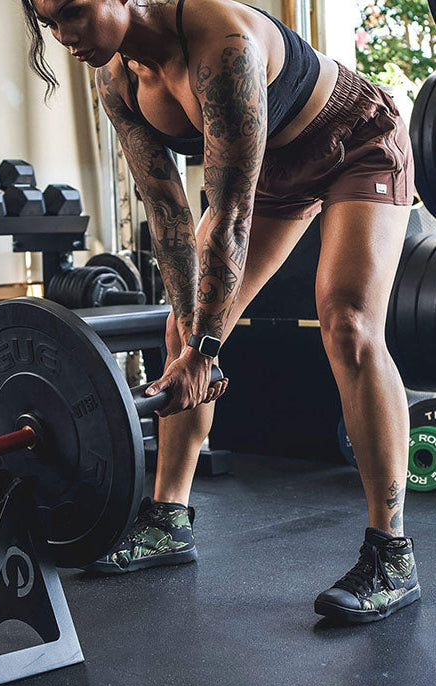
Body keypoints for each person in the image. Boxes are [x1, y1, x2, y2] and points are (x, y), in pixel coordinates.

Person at [22, 0, 420, 623]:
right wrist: (193, 339)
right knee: (183, 321)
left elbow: (229, 217)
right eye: (50, 22)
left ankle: (391, 553)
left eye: (74, 11)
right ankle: (167, 520)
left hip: (353, 144)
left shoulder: (223, 45)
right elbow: (168, 215)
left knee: (347, 323)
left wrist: (207, 353)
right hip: (265, 176)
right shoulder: (118, 78)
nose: (65, 36)